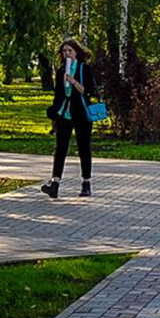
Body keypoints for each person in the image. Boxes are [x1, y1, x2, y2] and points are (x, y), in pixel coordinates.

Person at [41, 38, 96, 199]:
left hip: (81, 114)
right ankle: (55, 183)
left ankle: (86, 183)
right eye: (64, 51)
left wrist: (72, 81)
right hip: (65, 114)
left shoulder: (83, 68)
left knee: (83, 147)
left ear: (76, 52)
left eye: (69, 51)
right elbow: (58, 95)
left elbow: (88, 91)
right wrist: (54, 115)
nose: (67, 54)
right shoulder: (60, 71)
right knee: (60, 149)